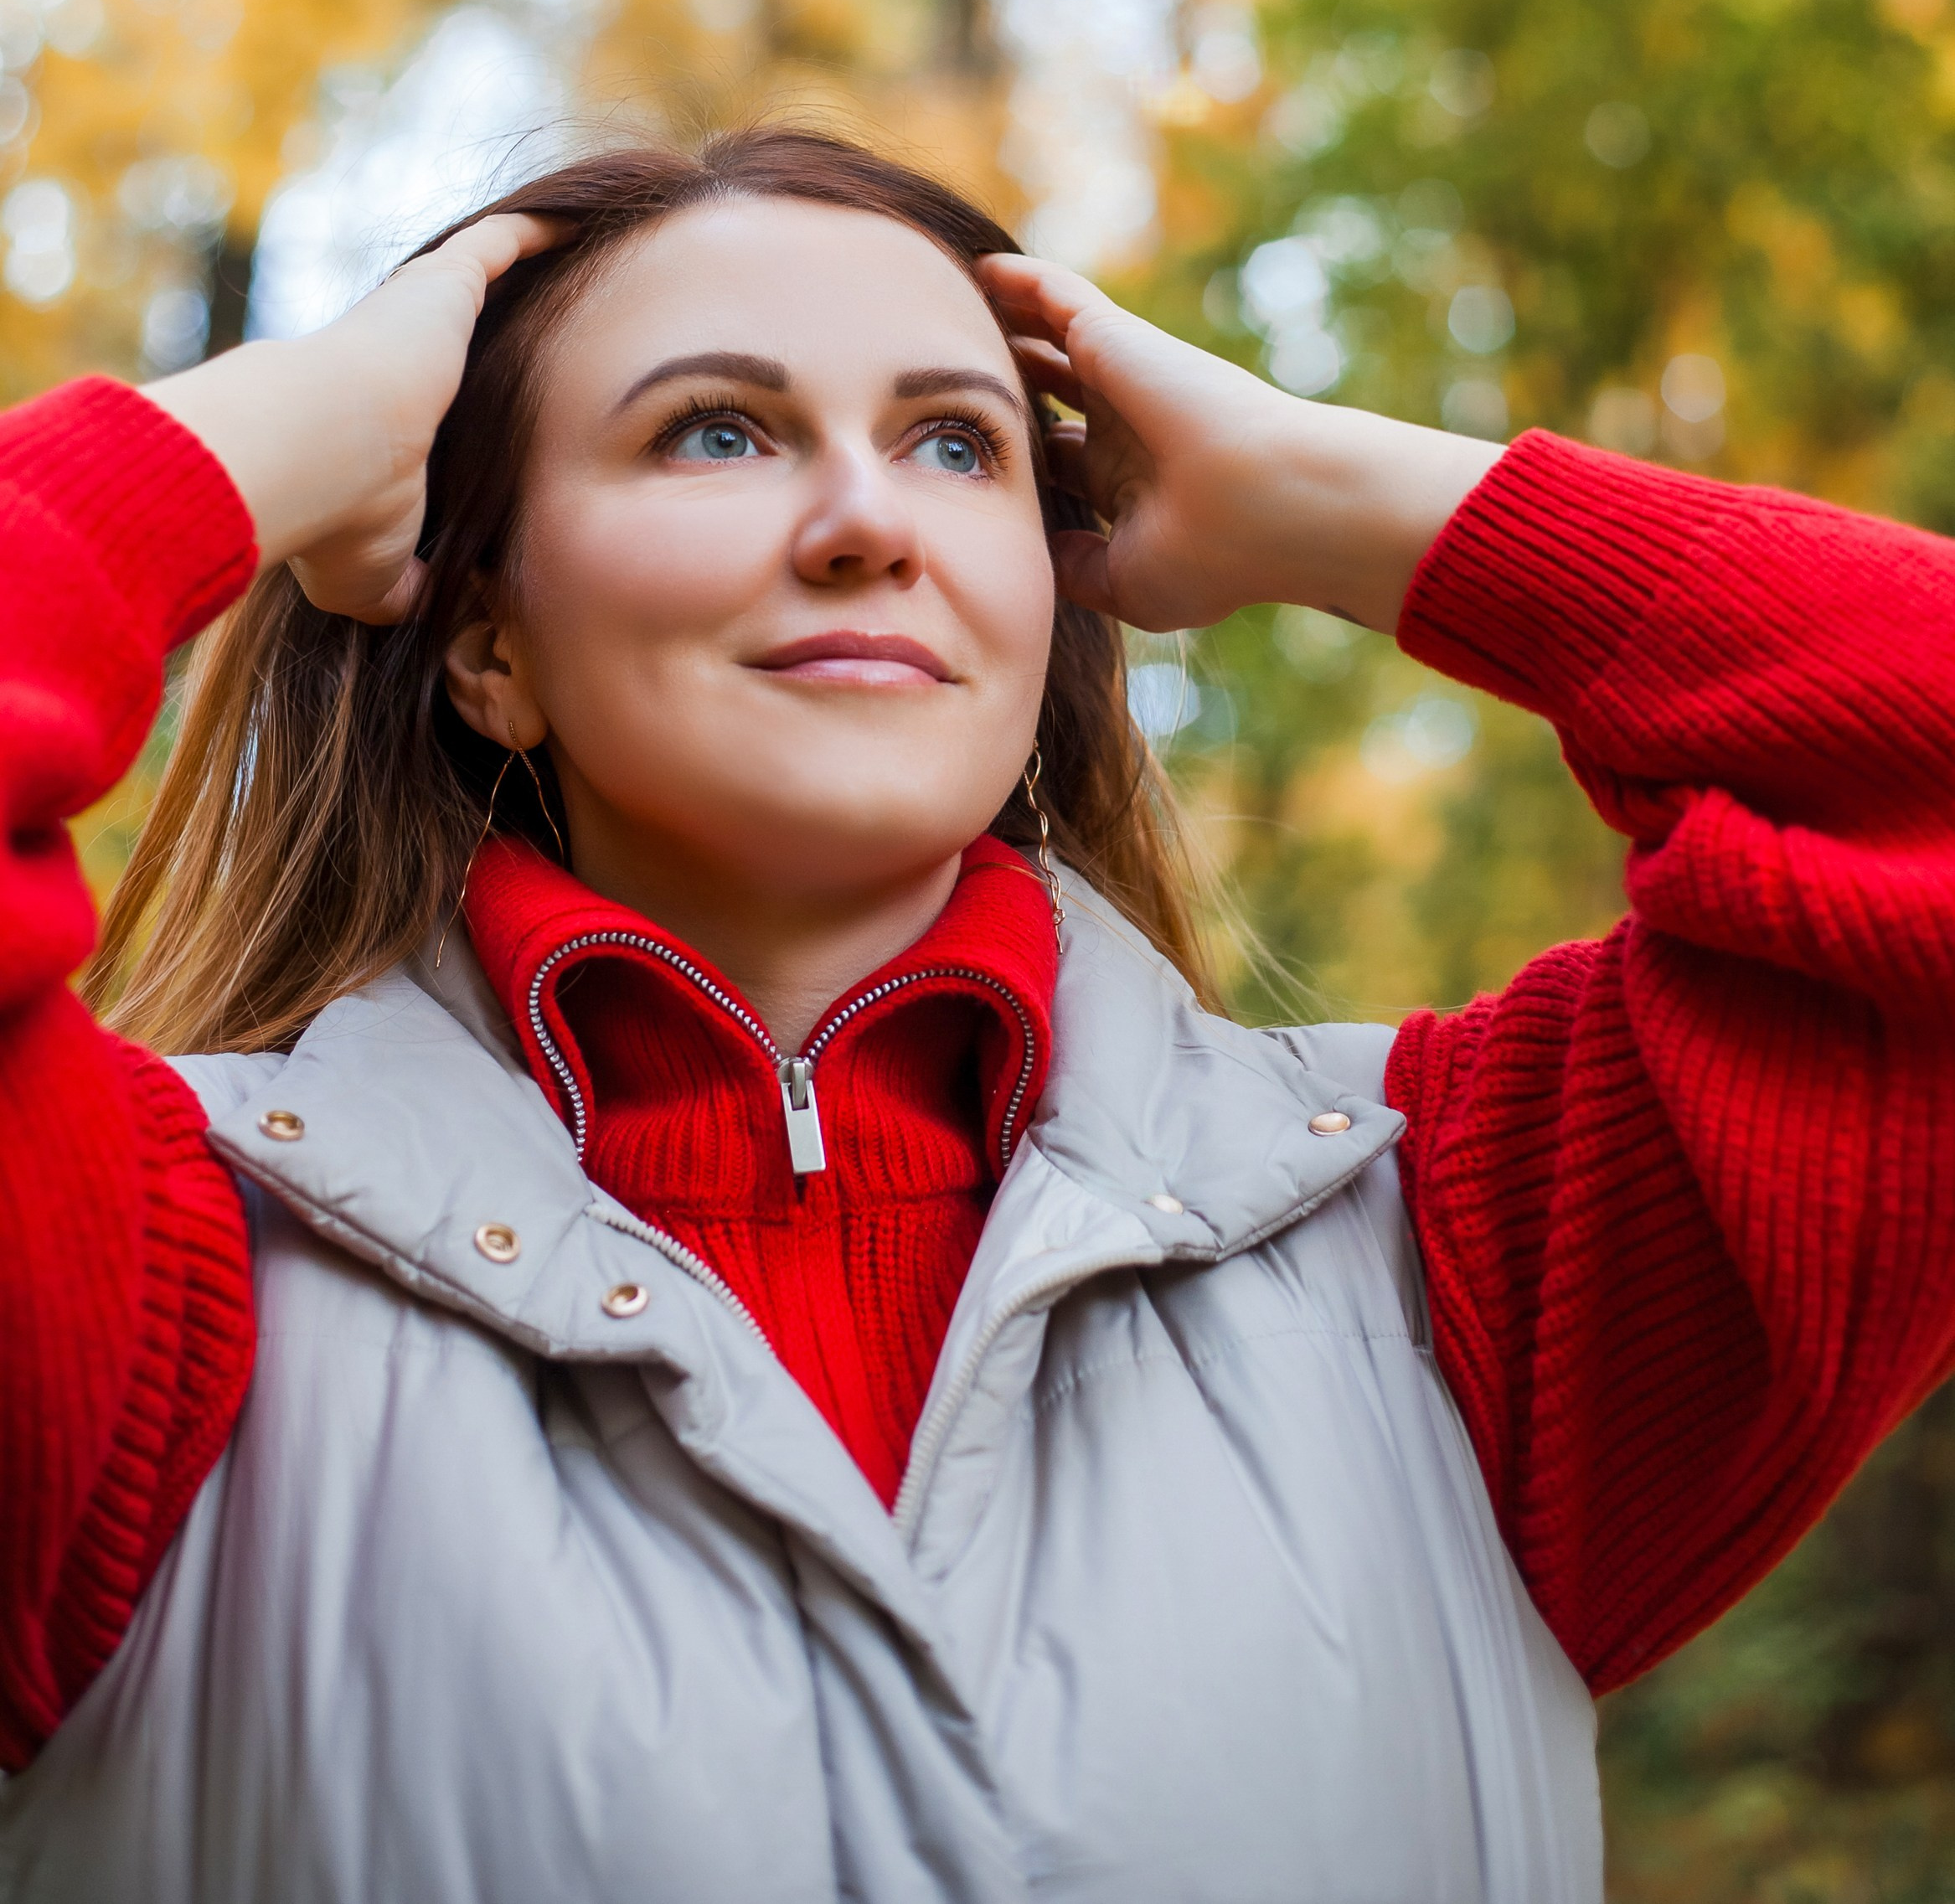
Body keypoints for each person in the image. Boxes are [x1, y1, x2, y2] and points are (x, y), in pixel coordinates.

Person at [3, 125, 1952, 1904]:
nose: (870, 521)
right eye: (715, 433)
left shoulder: (1461, 1244)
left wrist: (1338, 497)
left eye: (959, 445)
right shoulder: (160, 1302)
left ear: (1053, 577)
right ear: (490, 640)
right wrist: (276, 436)